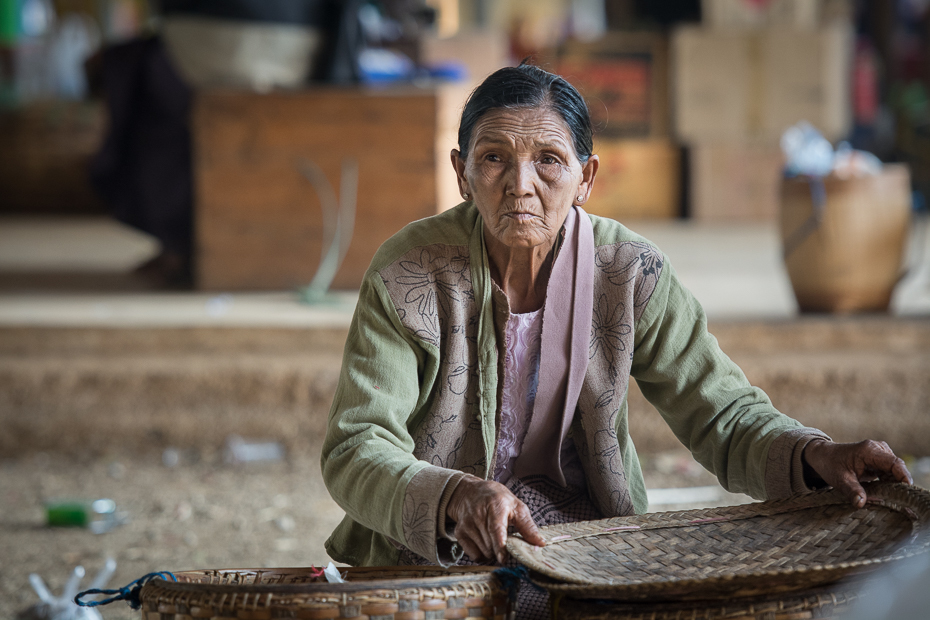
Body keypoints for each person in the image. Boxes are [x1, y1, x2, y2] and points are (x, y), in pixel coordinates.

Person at [320, 63, 912, 617]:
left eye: (549, 160)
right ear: (461, 174)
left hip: (585, 550)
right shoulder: (408, 271)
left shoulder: (629, 273)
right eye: (493, 159)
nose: (520, 185)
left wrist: (816, 454)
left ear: (586, 177)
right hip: (432, 551)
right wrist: (453, 498)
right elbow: (355, 445)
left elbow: (720, 412)